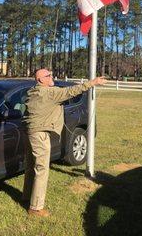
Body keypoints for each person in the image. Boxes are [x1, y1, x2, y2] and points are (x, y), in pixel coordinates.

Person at [22, 68, 107, 217]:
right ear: (41, 79)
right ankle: (35, 208)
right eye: (48, 75)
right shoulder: (50, 93)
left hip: (30, 132)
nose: (51, 76)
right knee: (41, 170)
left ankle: (27, 197)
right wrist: (94, 82)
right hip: (40, 135)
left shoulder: (32, 91)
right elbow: (73, 91)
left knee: (31, 167)